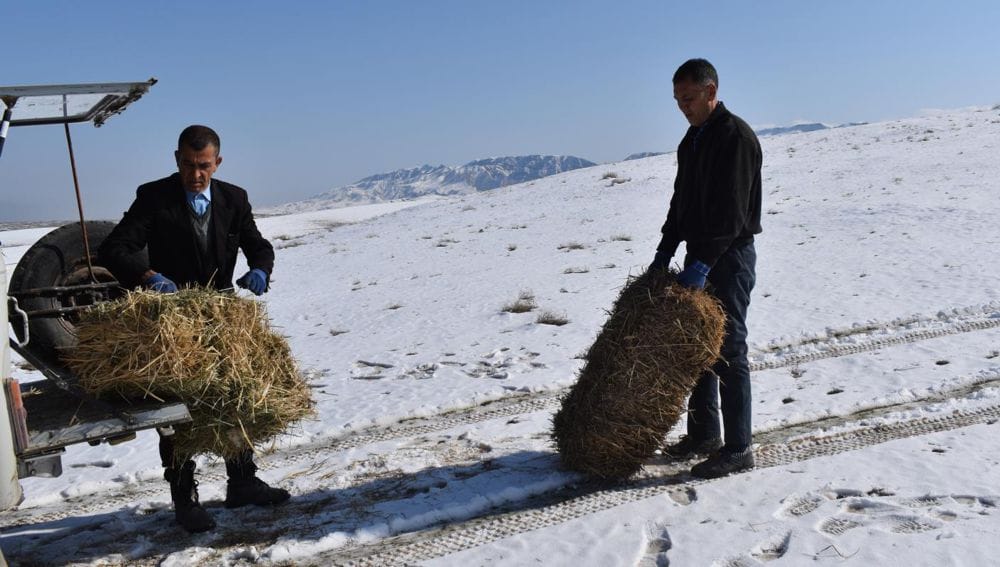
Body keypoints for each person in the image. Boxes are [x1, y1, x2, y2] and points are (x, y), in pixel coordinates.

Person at [99, 125, 289, 532]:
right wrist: (149, 275)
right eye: (188, 165)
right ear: (177, 160)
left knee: (234, 396)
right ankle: (184, 499)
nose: (196, 174)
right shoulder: (153, 197)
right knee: (177, 409)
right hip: (171, 321)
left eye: (204, 166)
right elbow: (114, 248)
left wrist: (259, 269)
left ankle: (242, 483)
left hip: (221, 314)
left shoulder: (234, 199)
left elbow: (259, 245)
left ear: (217, 163)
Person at [651, 59, 762, 479]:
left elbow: (731, 215)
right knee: (697, 347)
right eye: (678, 100)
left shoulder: (734, 138)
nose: (683, 107)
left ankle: (738, 448)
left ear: (711, 91)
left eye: (690, 98)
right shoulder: (693, 140)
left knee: (729, 349)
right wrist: (665, 250)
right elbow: (682, 202)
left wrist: (703, 264)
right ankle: (704, 436)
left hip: (729, 258)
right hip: (700, 253)